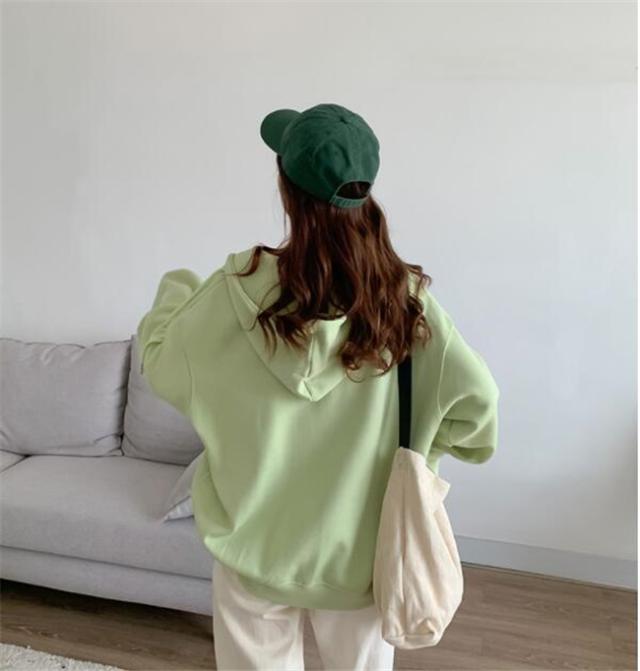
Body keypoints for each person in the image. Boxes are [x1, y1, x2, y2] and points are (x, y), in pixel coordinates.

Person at [136, 102, 500, 671]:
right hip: (360, 554)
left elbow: (160, 362)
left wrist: (175, 289)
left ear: (287, 191)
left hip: (253, 546)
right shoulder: (405, 305)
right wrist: (421, 448)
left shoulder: (235, 290)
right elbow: (479, 414)